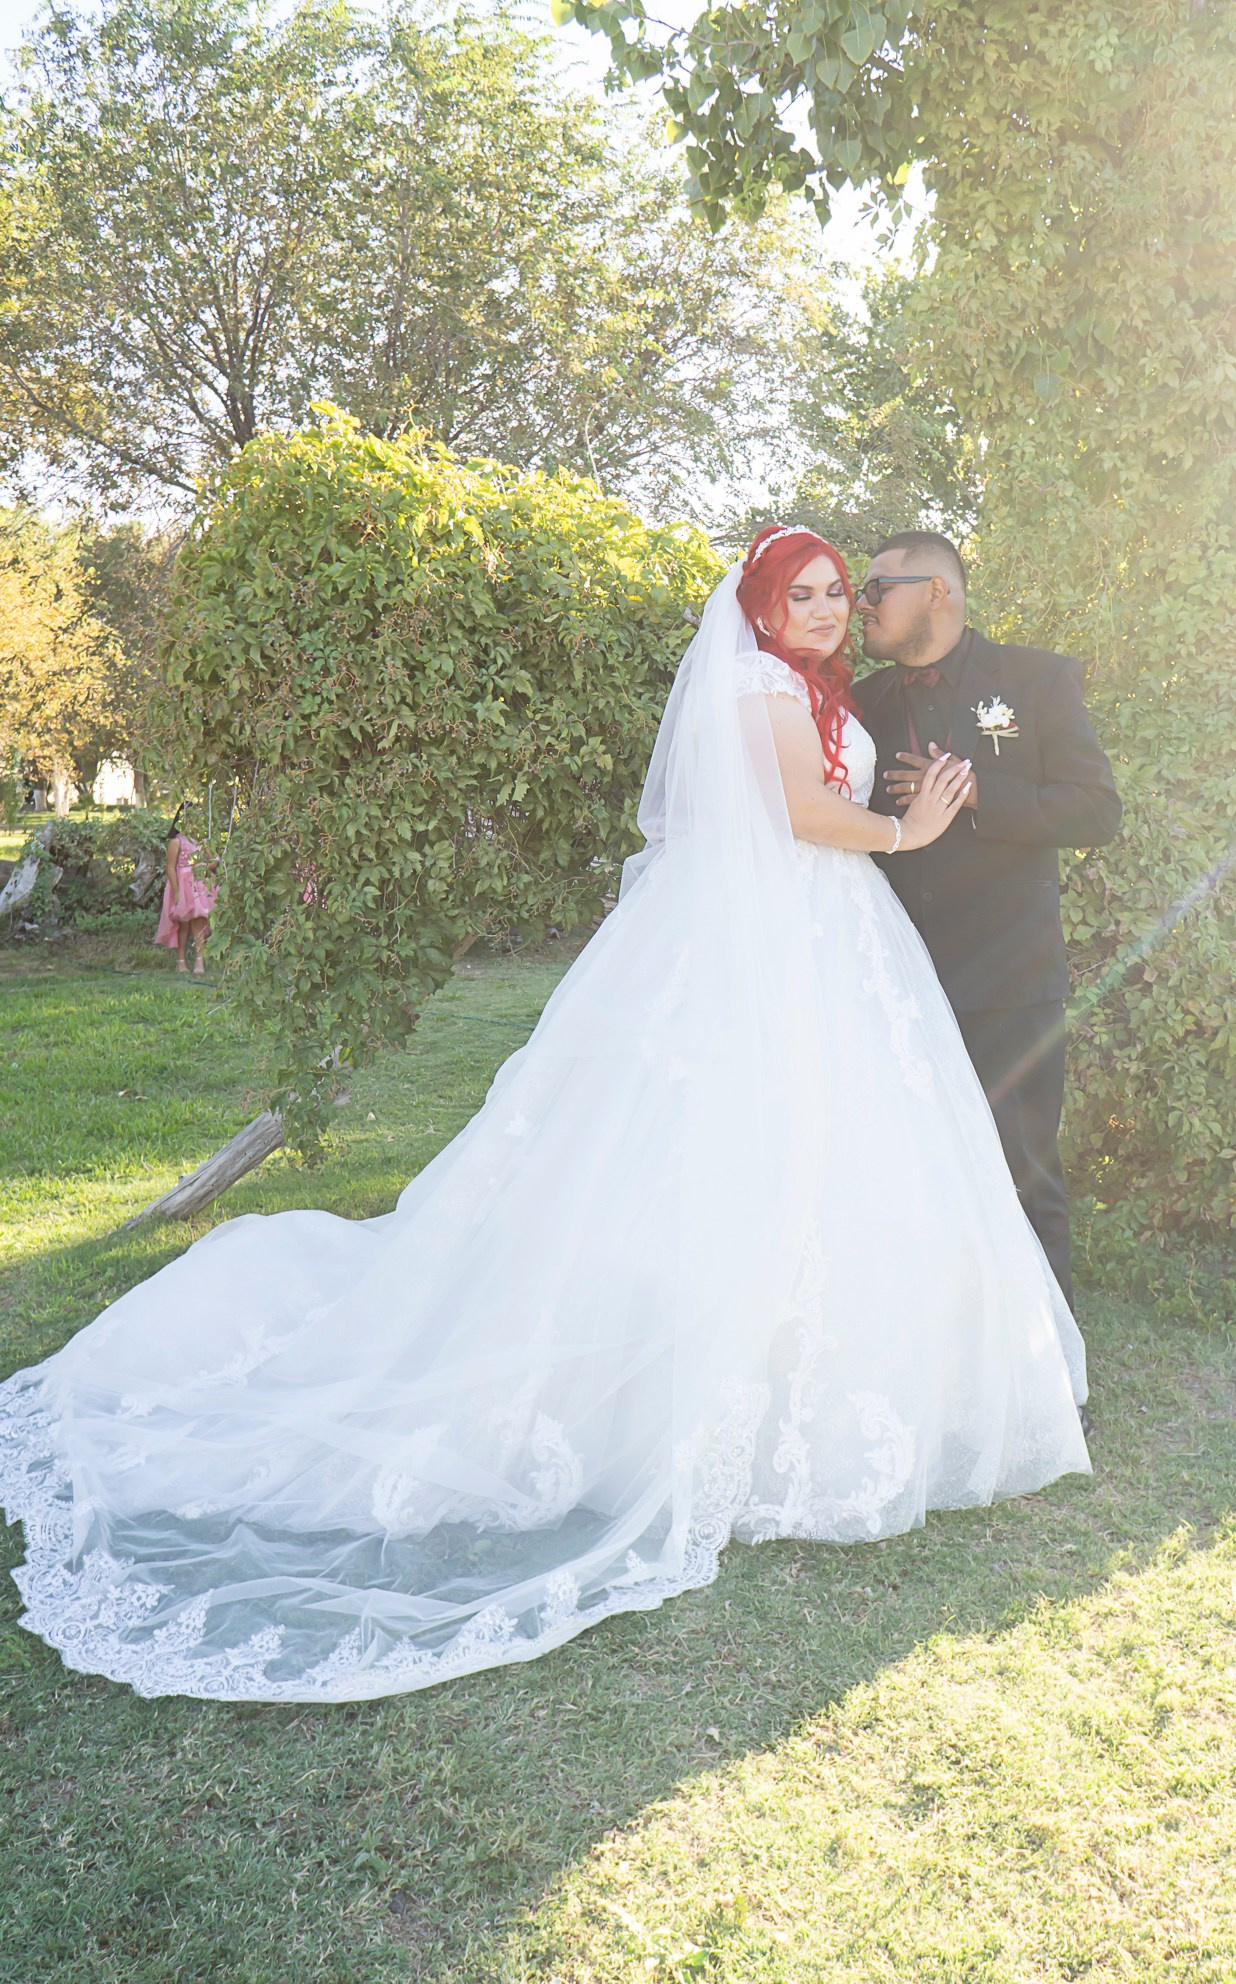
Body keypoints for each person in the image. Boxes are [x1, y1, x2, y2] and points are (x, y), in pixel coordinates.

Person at [0, 527, 1089, 1705]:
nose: (829, 608)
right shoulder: (756, 682)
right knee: (742, 1144)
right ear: (760, 608)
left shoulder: (832, 685)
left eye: (839, 592)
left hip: (837, 941)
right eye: (808, 592)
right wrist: (905, 832)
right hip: (775, 935)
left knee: (842, 1154)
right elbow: (797, 812)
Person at [853, 531, 1122, 1318]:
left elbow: (1097, 811)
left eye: (877, 589)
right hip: (890, 980)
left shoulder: (1037, 682)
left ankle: (1052, 1376)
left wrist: (977, 797)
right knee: (902, 1174)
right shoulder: (859, 703)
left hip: (1008, 985)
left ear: (937, 591)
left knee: (1024, 1175)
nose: (861, 606)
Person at [153, 810, 218, 975]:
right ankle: (180, 960)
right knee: (183, 924)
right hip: (183, 885)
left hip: (199, 886)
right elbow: (170, 867)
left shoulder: (201, 841)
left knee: (199, 922)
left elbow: (213, 862)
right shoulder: (176, 841)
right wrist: (176, 891)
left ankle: (199, 959)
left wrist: (205, 866)